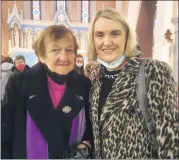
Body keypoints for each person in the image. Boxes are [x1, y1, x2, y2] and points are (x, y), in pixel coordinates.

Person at [88, 8, 178, 159]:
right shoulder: (95, 79)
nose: (107, 42)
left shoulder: (152, 71)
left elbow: (170, 138)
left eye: (115, 33)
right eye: (99, 35)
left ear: (127, 37)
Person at [1, 25, 93, 159]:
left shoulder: (84, 85)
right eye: (55, 50)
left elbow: (91, 128)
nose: (64, 57)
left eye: (69, 50)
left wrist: (86, 145)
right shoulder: (19, 84)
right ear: (41, 56)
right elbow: (4, 135)